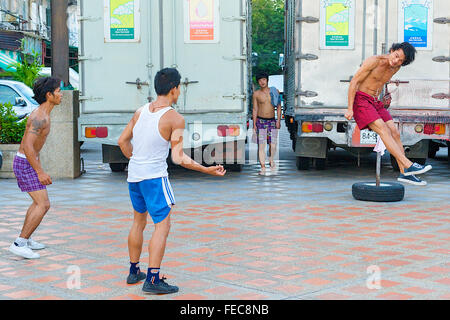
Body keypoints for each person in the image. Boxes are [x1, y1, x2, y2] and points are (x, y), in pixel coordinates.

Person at [118, 68, 226, 294]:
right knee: (162, 226)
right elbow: (178, 158)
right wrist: (206, 170)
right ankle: (154, 280)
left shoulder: (140, 112)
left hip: (135, 176)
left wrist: (137, 160)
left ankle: (133, 271)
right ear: (175, 89)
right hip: (154, 178)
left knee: (138, 222)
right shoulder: (175, 118)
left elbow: (122, 141)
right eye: (180, 88)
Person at [345, 42, 431, 185]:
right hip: (361, 100)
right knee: (383, 130)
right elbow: (354, 82)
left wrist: (383, 95)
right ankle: (408, 165)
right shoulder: (374, 61)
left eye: (401, 60)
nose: (396, 61)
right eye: (396, 56)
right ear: (391, 50)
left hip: (375, 102)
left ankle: (405, 174)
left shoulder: (396, 67)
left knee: (395, 132)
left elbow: (378, 82)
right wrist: (349, 108)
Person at [9, 77, 62, 259]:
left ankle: (27, 238)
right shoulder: (39, 117)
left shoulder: (44, 113)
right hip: (25, 164)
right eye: (58, 91)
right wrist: (39, 171)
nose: (61, 94)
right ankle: (19, 243)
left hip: (27, 162)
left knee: (38, 203)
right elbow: (28, 146)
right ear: (49, 95)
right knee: (43, 204)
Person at [252, 72, 282, 175]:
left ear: (267, 80)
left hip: (272, 121)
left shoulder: (274, 91)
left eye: (264, 80)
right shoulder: (256, 94)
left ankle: (271, 159)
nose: (262, 82)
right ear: (258, 82)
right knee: (261, 145)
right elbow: (255, 109)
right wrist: (254, 124)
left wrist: (278, 121)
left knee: (273, 145)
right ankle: (263, 167)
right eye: (260, 80)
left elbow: (278, 107)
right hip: (260, 121)